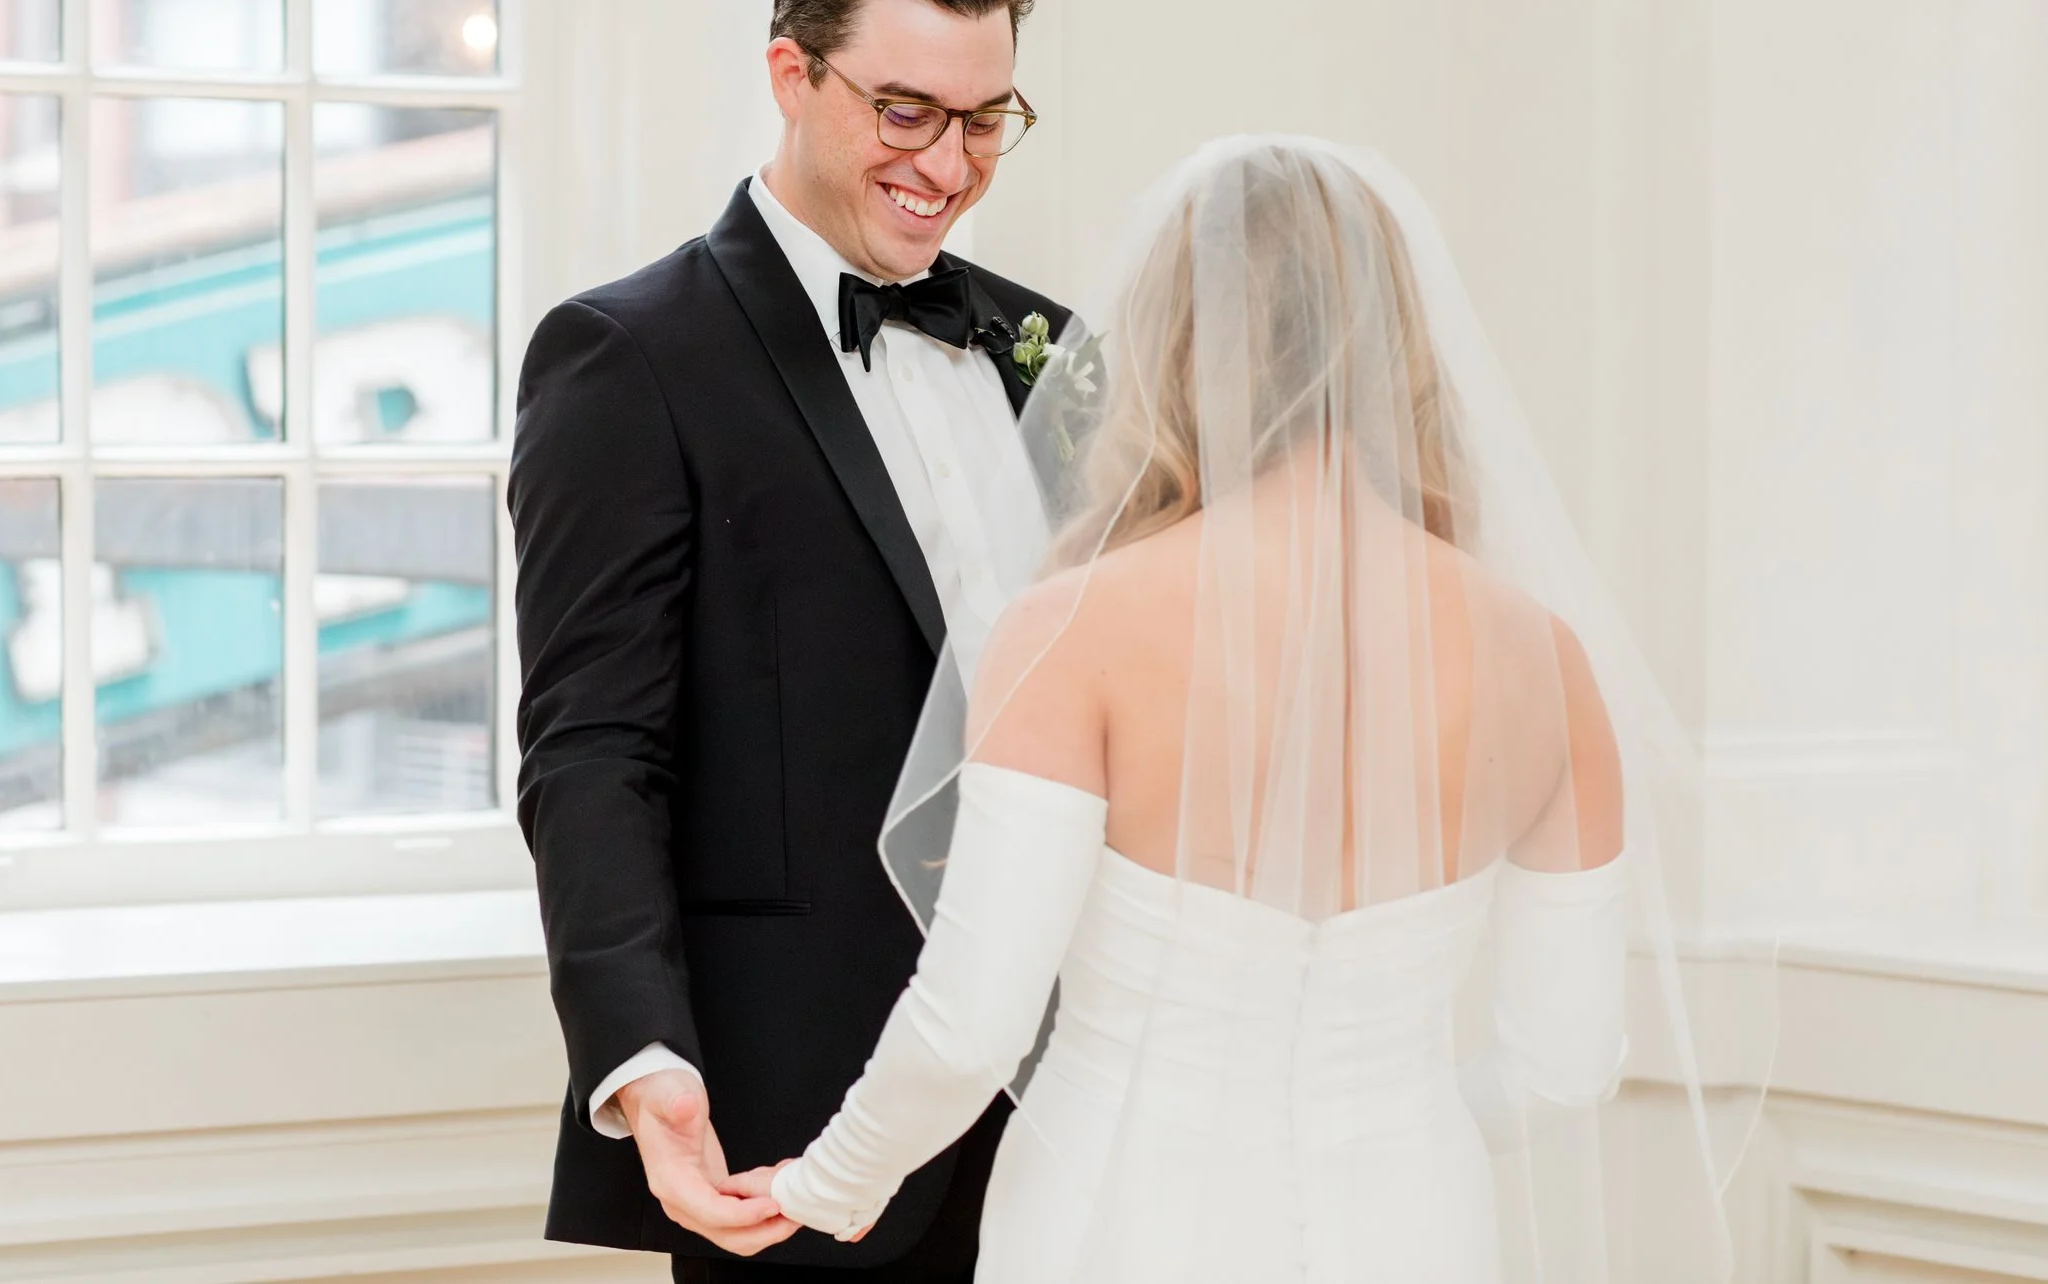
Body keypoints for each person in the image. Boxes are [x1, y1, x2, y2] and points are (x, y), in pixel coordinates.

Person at [755, 136, 1767, 1281]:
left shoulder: (1078, 627)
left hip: (1119, 1224)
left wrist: (822, 1179)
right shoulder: (1546, 660)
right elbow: (1565, 1062)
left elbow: (973, 1021)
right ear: (1403, 343)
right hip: (1418, 1229)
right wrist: (1388, 1130)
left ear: (1173, 343)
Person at [509, 0, 1067, 1281]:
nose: (947, 164)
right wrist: (641, 1054)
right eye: (904, 110)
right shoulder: (626, 356)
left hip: (1078, 1100)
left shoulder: (1050, 347)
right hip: (799, 1121)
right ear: (790, 74)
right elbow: (591, 749)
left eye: (985, 117)